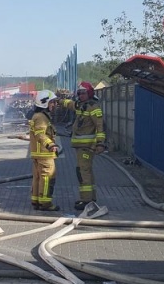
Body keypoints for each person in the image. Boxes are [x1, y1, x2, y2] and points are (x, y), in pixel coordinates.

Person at [62, 81, 106, 210]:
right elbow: (70, 105)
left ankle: (86, 200)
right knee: (86, 171)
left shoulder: (93, 107)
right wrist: (59, 101)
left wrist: (100, 144)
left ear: (89, 93)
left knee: (83, 172)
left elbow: (100, 127)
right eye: (79, 93)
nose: (80, 96)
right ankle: (90, 198)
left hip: (87, 147)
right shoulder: (82, 106)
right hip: (81, 147)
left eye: (83, 93)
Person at [29, 90, 60, 211]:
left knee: (38, 178)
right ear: (44, 103)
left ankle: (36, 201)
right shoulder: (41, 118)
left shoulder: (38, 116)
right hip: (45, 154)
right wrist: (50, 145)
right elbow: (40, 135)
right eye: (52, 102)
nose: (54, 105)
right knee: (48, 178)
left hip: (39, 154)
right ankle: (46, 203)